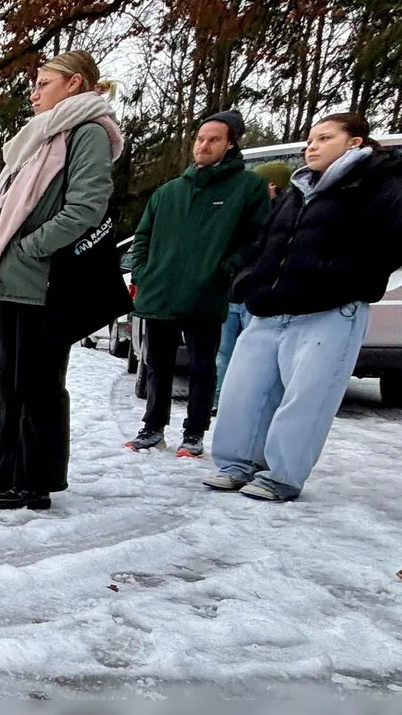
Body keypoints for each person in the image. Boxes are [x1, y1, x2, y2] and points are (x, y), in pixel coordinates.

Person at [205, 113, 402, 501]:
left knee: (306, 401)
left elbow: (391, 244)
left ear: (355, 143)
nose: (310, 146)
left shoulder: (379, 184)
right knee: (243, 392)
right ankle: (237, 464)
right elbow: (266, 242)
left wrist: (346, 277)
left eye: (324, 138)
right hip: (269, 309)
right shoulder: (298, 190)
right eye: (309, 139)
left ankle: (283, 475)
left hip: (328, 312)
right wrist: (249, 279)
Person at [0, 50, 124, 511]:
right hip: (16, 280)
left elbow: (86, 208)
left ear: (74, 84)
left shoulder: (87, 132)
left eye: (43, 83)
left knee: (39, 384)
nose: (33, 93)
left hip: (45, 279)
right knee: (8, 380)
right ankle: (8, 466)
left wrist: (28, 246)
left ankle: (35, 480)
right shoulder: (40, 136)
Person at [122, 111, 270, 457]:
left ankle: (194, 433)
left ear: (231, 144)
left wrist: (224, 271)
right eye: (200, 138)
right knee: (157, 365)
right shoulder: (168, 192)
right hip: (159, 293)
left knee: (202, 366)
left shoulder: (247, 187)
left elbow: (257, 238)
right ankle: (152, 427)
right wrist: (142, 272)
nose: (203, 145)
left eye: (213, 139)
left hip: (206, 295)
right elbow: (141, 238)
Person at [213, 160, 291, 410]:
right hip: (232, 294)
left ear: (272, 185)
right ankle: (219, 400)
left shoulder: (283, 215)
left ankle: (246, 405)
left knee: (253, 356)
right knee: (224, 354)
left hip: (255, 298)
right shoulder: (243, 213)